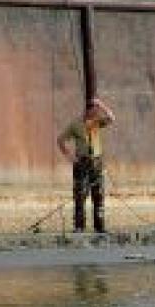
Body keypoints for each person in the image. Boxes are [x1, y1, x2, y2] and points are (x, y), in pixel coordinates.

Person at [57, 98, 115, 233]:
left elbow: (112, 118)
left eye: (97, 111)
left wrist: (101, 105)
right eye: (94, 111)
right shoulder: (75, 124)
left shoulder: (97, 122)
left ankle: (99, 226)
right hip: (82, 163)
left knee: (98, 194)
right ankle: (79, 226)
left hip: (96, 162)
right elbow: (61, 140)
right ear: (87, 111)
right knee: (80, 195)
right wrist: (70, 157)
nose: (97, 114)